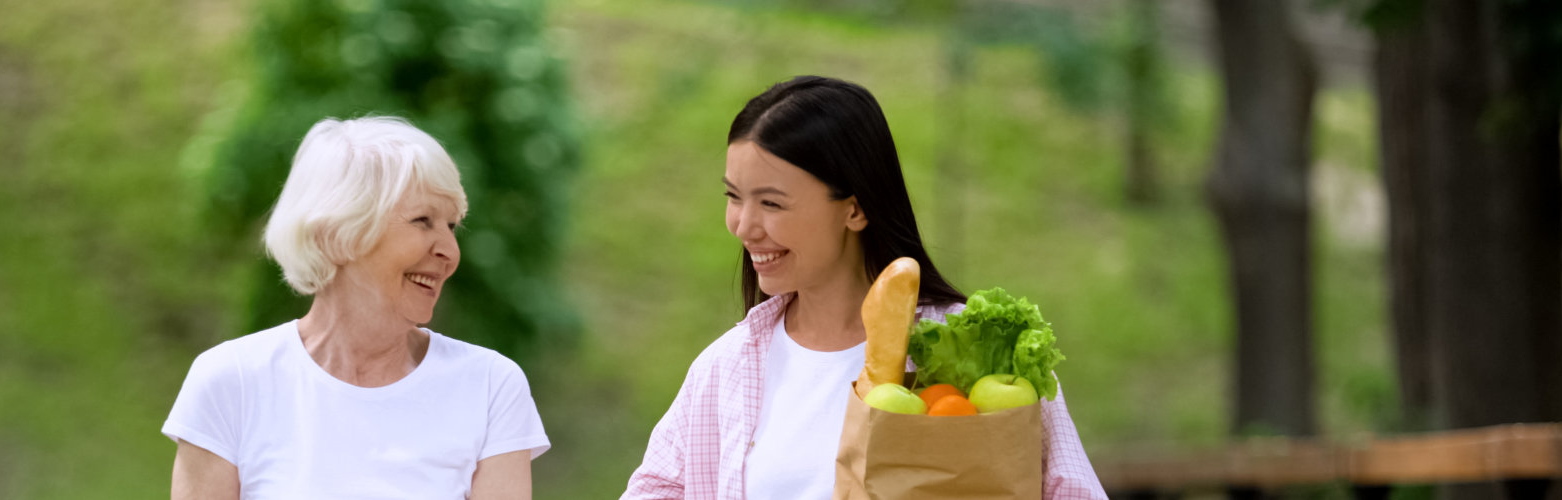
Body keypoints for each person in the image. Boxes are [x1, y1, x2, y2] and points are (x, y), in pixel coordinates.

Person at [621, 76, 1107, 500]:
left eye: (771, 203)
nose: (744, 226)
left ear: (854, 209)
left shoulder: (973, 349)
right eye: (733, 197)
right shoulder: (725, 370)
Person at [165, 116, 549, 500]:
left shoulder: (490, 386)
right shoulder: (230, 382)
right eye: (423, 221)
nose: (449, 252)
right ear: (337, 234)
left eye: (452, 226)